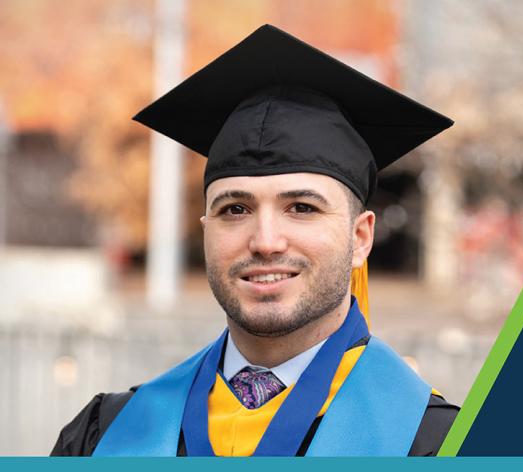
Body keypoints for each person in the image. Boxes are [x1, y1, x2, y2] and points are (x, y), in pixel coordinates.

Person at [51, 24, 457, 457]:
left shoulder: (438, 445)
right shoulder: (108, 437)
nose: (265, 241)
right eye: (235, 209)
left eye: (302, 207)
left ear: (360, 239)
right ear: (206, 230)